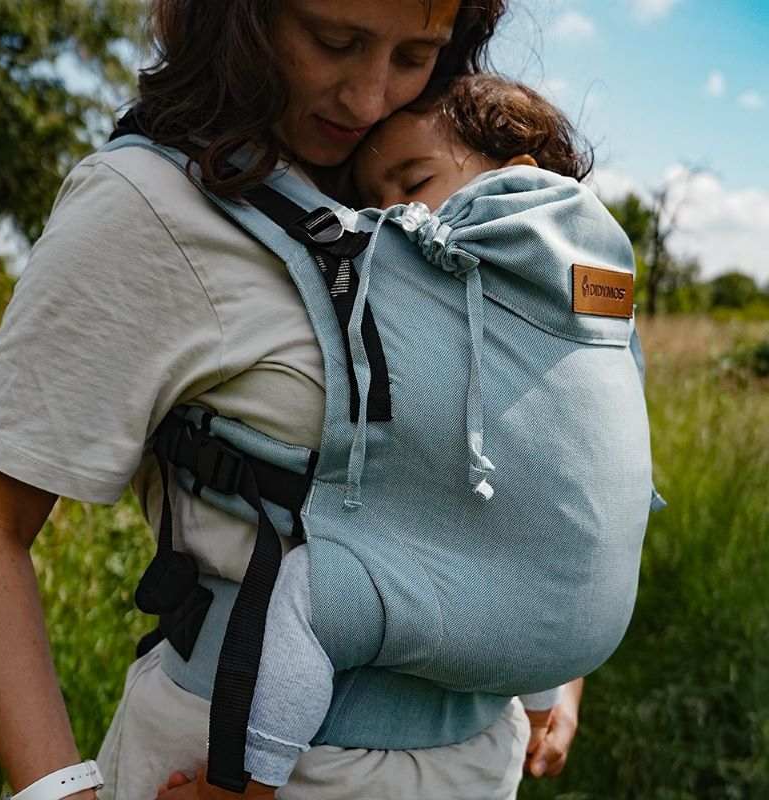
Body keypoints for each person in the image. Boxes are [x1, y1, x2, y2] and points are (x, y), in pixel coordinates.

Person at [0, 3, 584, 799]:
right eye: (335, 42)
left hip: (475, 764)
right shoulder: (147, 203)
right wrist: (59, 791)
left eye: (416, 54)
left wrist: (555, 671)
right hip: (225, 762)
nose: (368, 99)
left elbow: (545, 463)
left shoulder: (450, 192)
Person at [152, 73, 598, 799]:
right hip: (507, 611)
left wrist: (558, 689)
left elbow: (580, 523)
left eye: (413, 181)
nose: (387, 216)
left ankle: (240, 787)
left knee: (306, 595)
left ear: (518, 184)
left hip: (465, 653)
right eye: (369, 201)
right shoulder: (590, 315)